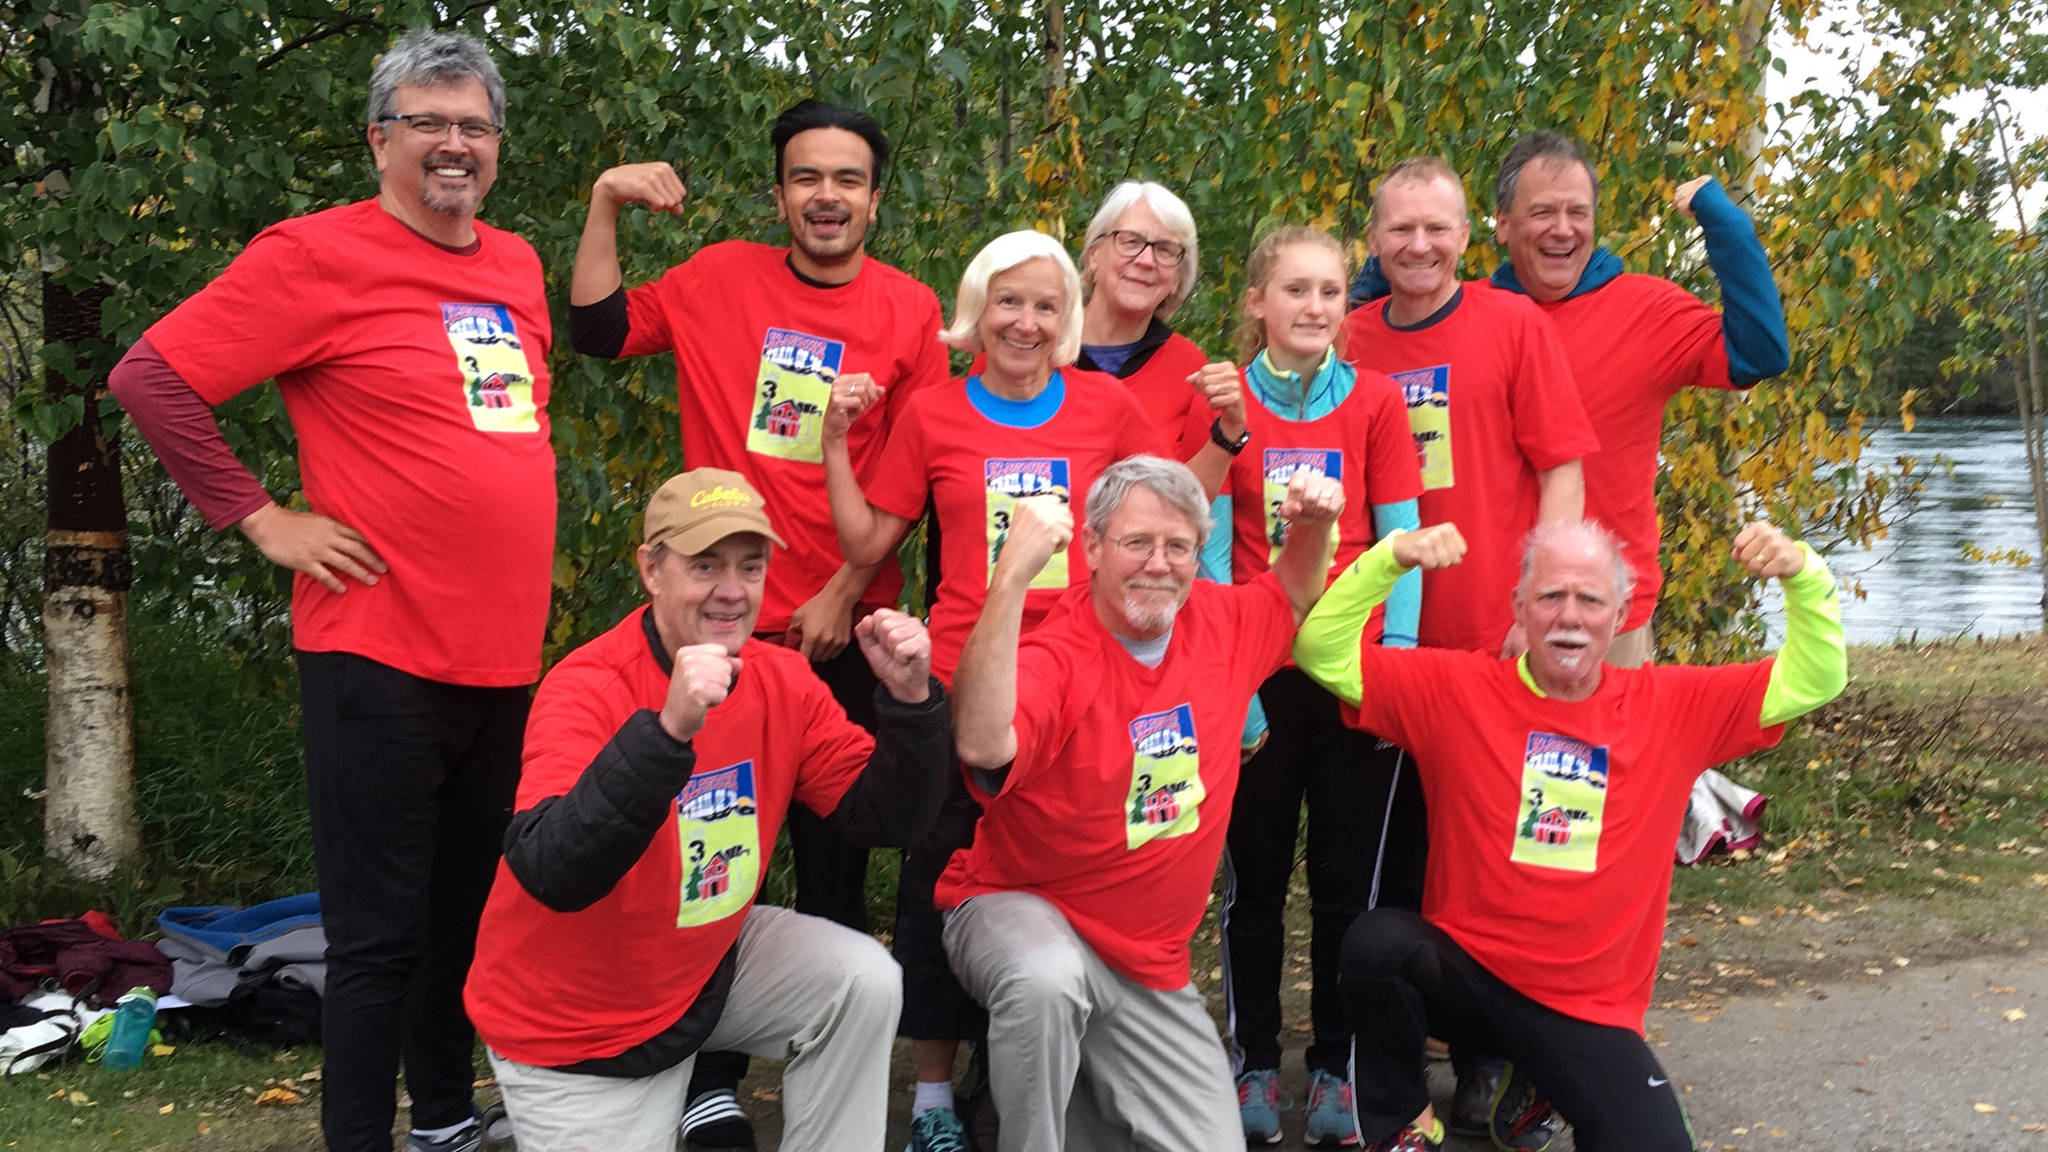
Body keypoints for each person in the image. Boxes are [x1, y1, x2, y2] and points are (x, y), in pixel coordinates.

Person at [107, 29, 548, 1152]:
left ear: (496, 145)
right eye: (427, 123)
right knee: (376, 936)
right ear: (378, 138)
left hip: (502, 657)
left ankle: (442, 1120)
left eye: (473, 125)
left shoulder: (515, 266)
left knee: (461, 922)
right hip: (378, 652)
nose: (453, 144)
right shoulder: (315, 254)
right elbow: (150, 376)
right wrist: (260, 516)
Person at [567, 99, 948, 1148]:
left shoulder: (911, 310)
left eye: (848, 179)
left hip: (845, 635)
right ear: (778, 193)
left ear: (875, 196)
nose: (827, 196)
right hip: (719, 634)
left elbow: (921, 474)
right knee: (712, 853)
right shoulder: (716, 279)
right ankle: (703, 1075)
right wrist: (604, 200)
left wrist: (840, 591)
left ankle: (824, 1072)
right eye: (806, 177)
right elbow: (596, 329)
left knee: (834, 863)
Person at [1290, 517, 1845, 1152]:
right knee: (1376, 945)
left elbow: (1816, 678)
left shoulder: (1672, 706)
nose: (1569, 617)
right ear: (1519, 608)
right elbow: (1320, 651)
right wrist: (1391, 557)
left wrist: (1802, 573)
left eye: (1589, 599)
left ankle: (1538, 1084)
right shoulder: (1457, 689)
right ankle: (1403, 1127)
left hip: (1587, 1010)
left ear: (1621, 613)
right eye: (1551, 596)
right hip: (1468, 981)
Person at [462, 467, 951, 1152]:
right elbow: (552, 870)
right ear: (651, 571)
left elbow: (883, 819)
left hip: (699, 965)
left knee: (862, 978)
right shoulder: (585, 686)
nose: (731, 589)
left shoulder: (781, 677)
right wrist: (667, 732)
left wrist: (911, 704)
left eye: (750, 567)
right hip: (578, 1025)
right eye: (704, 565)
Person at [938, 456, 1348, 1151]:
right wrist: (1009, 578)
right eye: (1136, 543)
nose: (1158, 564)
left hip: (1148, 964)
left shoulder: (1222, 623)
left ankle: (1080, 1104)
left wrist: (1314, 524)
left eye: (1178, 546)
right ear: (1092, 549)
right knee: (1047, 982)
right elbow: (981, 742)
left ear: (1198, 554)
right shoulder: (1060, 655)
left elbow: (1294, 591)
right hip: (1021, 914)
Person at [1339, 155, 1600, 1142]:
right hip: (1393, 652)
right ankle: (1389, 1084)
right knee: (1394, 868)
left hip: (1494, 648)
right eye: (1399, 229)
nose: (1416, 246)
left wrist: (1539, 610)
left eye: (1435, 229)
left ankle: (1495, 1063)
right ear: (1373, 239)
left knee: (1500, 871)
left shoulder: (1512, 326)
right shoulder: (1350, 337)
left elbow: (1562, 471)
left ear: (1468, 235)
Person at [1486, 130, 1792, 864]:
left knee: (1589, 837)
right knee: (1486, 833)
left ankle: (1590, 976)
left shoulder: (1645, 309)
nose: (1563, 229)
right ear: (1502, 226)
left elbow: (1760, 351)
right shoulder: (1467, 314)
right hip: (1478, 613)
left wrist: (1725, 222)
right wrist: (1372, 280)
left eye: (1578, 211)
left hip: (1607, 618)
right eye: (1542, 212)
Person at [1186, 226, 1425, 1148]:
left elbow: (1402, 540)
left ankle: (1333, 1064)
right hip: (1259, 677)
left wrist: (1392, 675)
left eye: (1330, 290)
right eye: (1295, 290)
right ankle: (1252, 1064)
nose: (1316, 306)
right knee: (1252, 888)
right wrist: (1232, 681)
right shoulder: (1227, 401)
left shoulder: (1373, 402)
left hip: (1352, 676)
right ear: (1257, 302)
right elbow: (1210, 550)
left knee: (1344, 890)